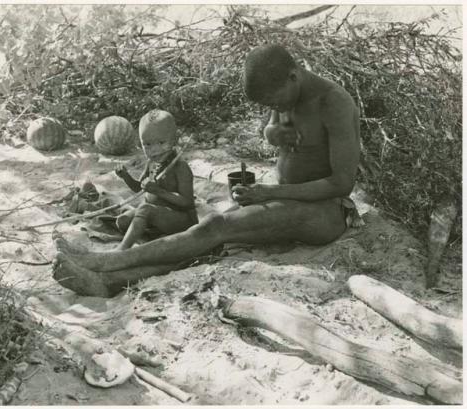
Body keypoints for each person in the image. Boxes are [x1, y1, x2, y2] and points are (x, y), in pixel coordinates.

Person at [53, 44, 360, 297]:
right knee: (213, 243)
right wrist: (272, 134)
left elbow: (341, 184)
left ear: (293, 77)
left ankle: (106, 262)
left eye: (273, 101)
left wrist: (271, 191)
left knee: (215, 227)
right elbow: (270, 127)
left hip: (325, 211)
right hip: (286, 199)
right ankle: (110, 282)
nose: (274, 108)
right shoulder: (285, 92)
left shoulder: (333, 103)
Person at [113, 109, 198, 250]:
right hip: (155, 216)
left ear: (175, 140)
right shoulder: (151, 163)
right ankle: (153, 231)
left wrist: (158, 191)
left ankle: (122, 249)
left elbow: (187, 202)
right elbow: (140, 188)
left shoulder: (180, 167)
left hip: (181, 219)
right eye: (147, 144)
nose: (154, 149)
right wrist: (126, 176)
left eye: (161, 142)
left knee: (145, 210)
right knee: (121, 222)